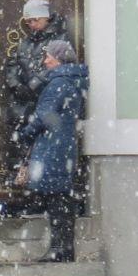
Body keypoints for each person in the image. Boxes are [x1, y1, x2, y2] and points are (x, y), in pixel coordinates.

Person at [16, 39, 87, 263]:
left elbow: (44, 115)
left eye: (49, 57)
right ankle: (63, 249)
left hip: (52, 147)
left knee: (56, 200)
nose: (45, 61)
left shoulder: (59, 83)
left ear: (59, 59)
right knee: (60, 199)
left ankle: (59, 250)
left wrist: (26, 133)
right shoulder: (72, 80)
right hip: (63, 146)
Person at [0, 0, 67, 200]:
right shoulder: (26, 43)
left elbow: (55, 66)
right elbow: (13, 64)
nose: (31, 25)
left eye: (35, 20)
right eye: (28, 21)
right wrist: (15, 84)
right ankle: (21, 194)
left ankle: (41, 196)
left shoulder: (59, 40)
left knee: (43, 151)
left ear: (46, 18)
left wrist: (34, 85)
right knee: (21, 148)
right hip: (24, 107)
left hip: (45, 103)